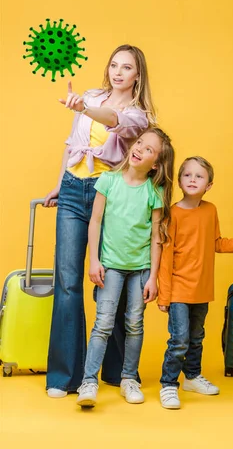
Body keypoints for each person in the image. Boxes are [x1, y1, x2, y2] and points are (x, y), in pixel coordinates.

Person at [44, 44, 156, 398]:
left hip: (110, 196)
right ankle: (65, 377)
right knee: (67, 281)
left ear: (138, 75)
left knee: (114, 279)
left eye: (126, 67)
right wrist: (60, 183)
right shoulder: (91, 95)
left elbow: (113, 120)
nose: (118, 71)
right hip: (75, 189)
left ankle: (115, 371)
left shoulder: (139, 115)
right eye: (113, 65)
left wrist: (85, 108)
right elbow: (72, 144)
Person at [76, 128, 174, 407]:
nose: (140, 149)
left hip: (141, 269)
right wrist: (94, 260)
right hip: (111, 266)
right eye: (139, 142)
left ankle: (129, 378)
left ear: (155, 164)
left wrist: (153, 277)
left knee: (134, 324)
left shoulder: (154, 191)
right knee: (103, 324)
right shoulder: (108, 180)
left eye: (149, 149)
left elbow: (157, 237)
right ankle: (89, 382)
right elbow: (95, 222)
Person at [157, 156, 233, 409]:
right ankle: (168, 384)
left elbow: (216, 242)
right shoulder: (171, 214)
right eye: (187, 175)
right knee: (179, 339)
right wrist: (164, 296)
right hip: (179, 290)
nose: (193, 180)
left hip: (202, 289)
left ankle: (192, 376)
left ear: (209, 184)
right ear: (180, 180)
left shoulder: (210, 210)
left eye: (199, 176)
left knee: (196, 337)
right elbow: (165, 257)